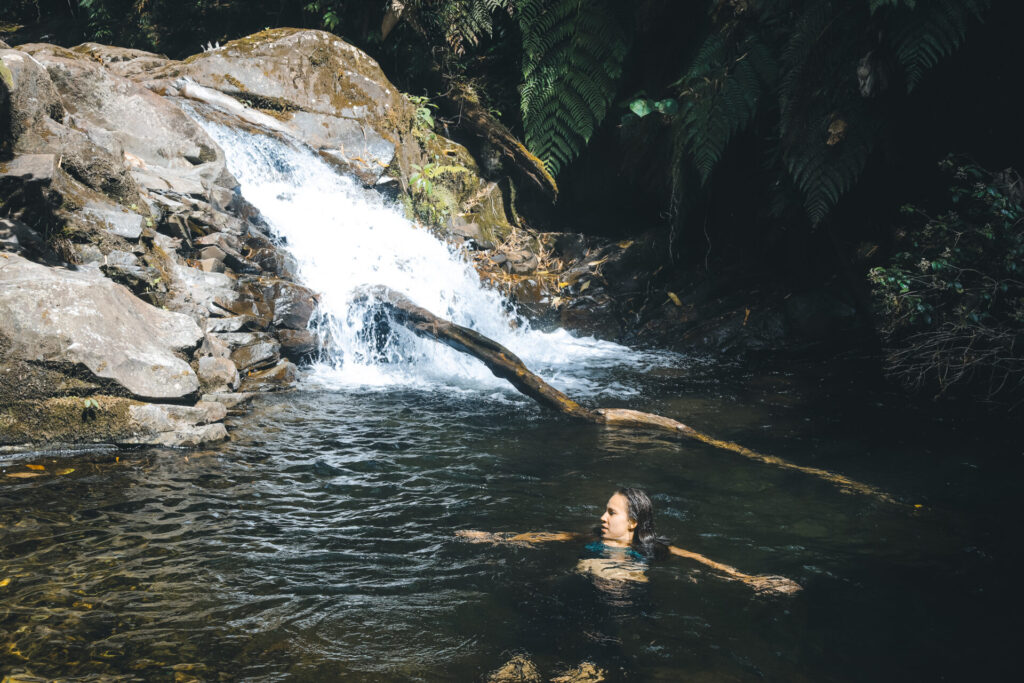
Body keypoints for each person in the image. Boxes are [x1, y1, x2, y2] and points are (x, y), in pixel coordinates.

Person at [457, 487, 801, 595]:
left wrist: (748, 579)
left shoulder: (649, 549)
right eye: (604, 512)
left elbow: (700, 560)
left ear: (633, 523)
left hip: (620, 598)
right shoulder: (592, 537)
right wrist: (494, 539)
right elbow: (547, 536)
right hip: (581, 587)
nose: (602, 518)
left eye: (611, 513)